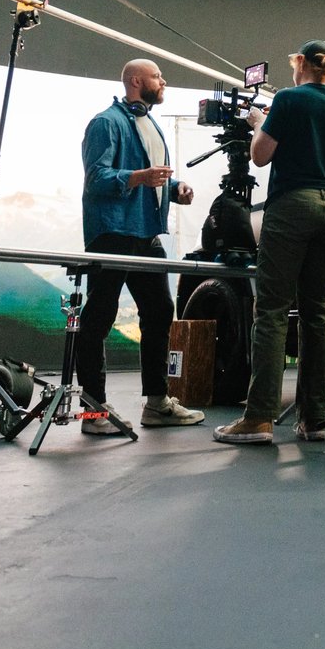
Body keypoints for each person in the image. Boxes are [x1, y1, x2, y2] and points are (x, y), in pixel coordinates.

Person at [214, 40, 325, 446]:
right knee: (316, 315)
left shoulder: (289, 99)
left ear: (302, 65)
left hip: (293, 206)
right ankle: (314, 419)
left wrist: (260, 122)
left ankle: (258, 419)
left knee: (272, 310)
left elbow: (260, 156)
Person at [76, 58, 205, 433]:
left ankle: (157, 404)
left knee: (160, 311)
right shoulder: (105, 122)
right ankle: (92, 413)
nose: (163, 82)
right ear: (136, 81)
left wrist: (174, 188)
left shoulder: (149, 123)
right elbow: (96, 179)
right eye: (157, 76)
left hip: (146, 235)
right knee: (99, 318)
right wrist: (141, 177)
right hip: (113, 233)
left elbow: (152, 175)